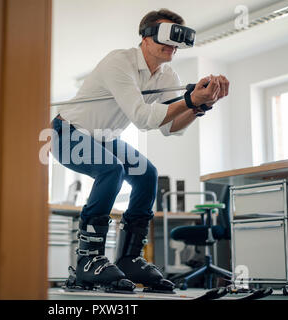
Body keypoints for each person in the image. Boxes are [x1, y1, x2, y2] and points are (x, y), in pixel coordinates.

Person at [51, 9, 229, 293]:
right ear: (146, 38)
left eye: (176, 39)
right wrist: (189, 99)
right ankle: (88, 260)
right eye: (165, 36)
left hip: (105, 139)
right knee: (112, 170)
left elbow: (171, 127)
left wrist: (200, 105)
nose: (172, 44)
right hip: (67, 133)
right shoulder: (119, 62)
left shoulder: (166, 74)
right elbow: (143, 117)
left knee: (147, 174)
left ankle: (130, 258)